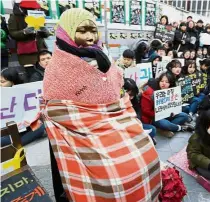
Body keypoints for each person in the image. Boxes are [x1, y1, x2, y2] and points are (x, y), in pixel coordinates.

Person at [42, 8, 161, 201]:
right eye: (82, 31)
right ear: (66, 32)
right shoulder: (57, 68)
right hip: (80, 136)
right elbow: (58, 110)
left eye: (93, 30)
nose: (90, 36)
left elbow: (117, 91)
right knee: (109, 182)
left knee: (149, 158)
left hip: (114, 126)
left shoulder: (102, 54)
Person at [1, 67, 46, 146]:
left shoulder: (25, 93)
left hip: (24, 128)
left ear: (13, 82)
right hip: (5, 131)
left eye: (2, 82)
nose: (0, 84)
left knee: (41, 127)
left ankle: (16, 144)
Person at [141, 72, 192, 138]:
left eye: (167, 82)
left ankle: (166, 128)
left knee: (184, 116)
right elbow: (146, 110)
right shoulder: (149, 93)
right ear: (158, 81)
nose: (164, 83)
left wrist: (173, 111)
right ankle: (180, 128)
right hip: (154, 117)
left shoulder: (172, 91)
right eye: (162, 81)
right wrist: (160, 114)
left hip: (167, 114)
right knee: (164, 123)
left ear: (170, 84)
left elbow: (173, 105)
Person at [8, 1, 50, 66]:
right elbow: (12, 34)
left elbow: (45, 35)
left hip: (41, 49)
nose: (33, 10)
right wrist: (24, 31)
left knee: (46, 71)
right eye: (30, 8)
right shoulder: (15, 17)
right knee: (30, 71)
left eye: (34, 8)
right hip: (27, 51)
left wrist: (45, 31)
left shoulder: (38, 16)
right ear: (23, 8)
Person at [123, 78, 157, 145]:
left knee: (152, 129)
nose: (131, 97)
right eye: (129, 95)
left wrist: (137, 120)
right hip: (124, 126)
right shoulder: (118, 101)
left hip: (136, 123)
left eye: (132, 95)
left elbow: (138, 110)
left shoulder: (134, 99)